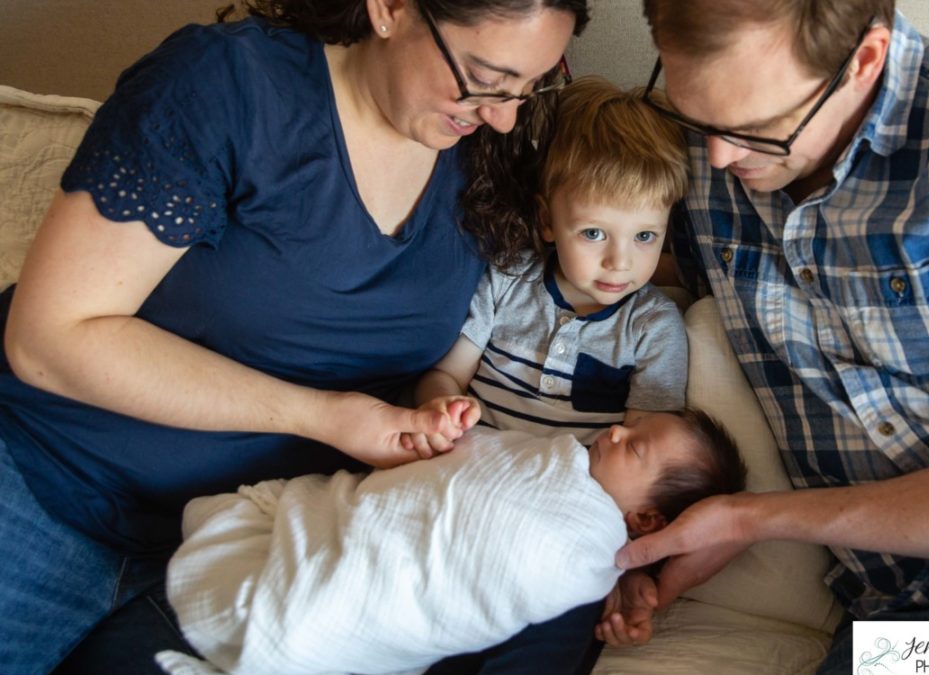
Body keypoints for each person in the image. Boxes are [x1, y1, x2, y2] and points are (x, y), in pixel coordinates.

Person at [0, 0, 592, 672]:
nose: (503, 113)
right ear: (389, 9)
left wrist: (431, 405)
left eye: (528, 86)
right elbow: (51, 338)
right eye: (485, 77)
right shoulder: (226, 86)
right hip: (46, 479)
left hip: (252, 547)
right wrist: (324, 416)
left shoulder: (490, 155)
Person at [599, 0, 929, 670]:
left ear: (865, 61)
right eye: (697, 116)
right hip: (892, 627)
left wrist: (749, 518)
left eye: (758, 128)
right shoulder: (708, 159)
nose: (719, 155)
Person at [156, 409, 746, 675]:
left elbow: (550, 564)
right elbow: (475, 465)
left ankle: (310, 627)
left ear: (644, 520)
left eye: (635, 447)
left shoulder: (591, 553)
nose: (615, 431)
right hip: (362, 525)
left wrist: (622, 585)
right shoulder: (557, 456)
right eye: (631, 425)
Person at [409, 75, 691, 456]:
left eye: (644, 237)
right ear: (546, 221)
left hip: (570, 489)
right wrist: (440, 407)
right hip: (473, 464)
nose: (620, 262)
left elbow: (642, 450)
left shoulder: (653, 327)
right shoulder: (508, 280)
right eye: (593, 233)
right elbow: (445, 375)